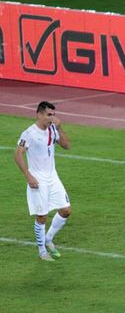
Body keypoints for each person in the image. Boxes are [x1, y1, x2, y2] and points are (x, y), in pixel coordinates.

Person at [14, 101, 72, 261]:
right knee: (42, 216)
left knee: (66, 210)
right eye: (48, 115)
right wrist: (28, 176)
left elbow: (67, 146)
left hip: (52, 177)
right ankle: (42, 251)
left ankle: (48, 239)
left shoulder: (53, 129)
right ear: (39, 114)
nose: (51, 118)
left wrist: (59, 127)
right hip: (38, 178)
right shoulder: (29, 133)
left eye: (53, 115)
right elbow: (18, 154)